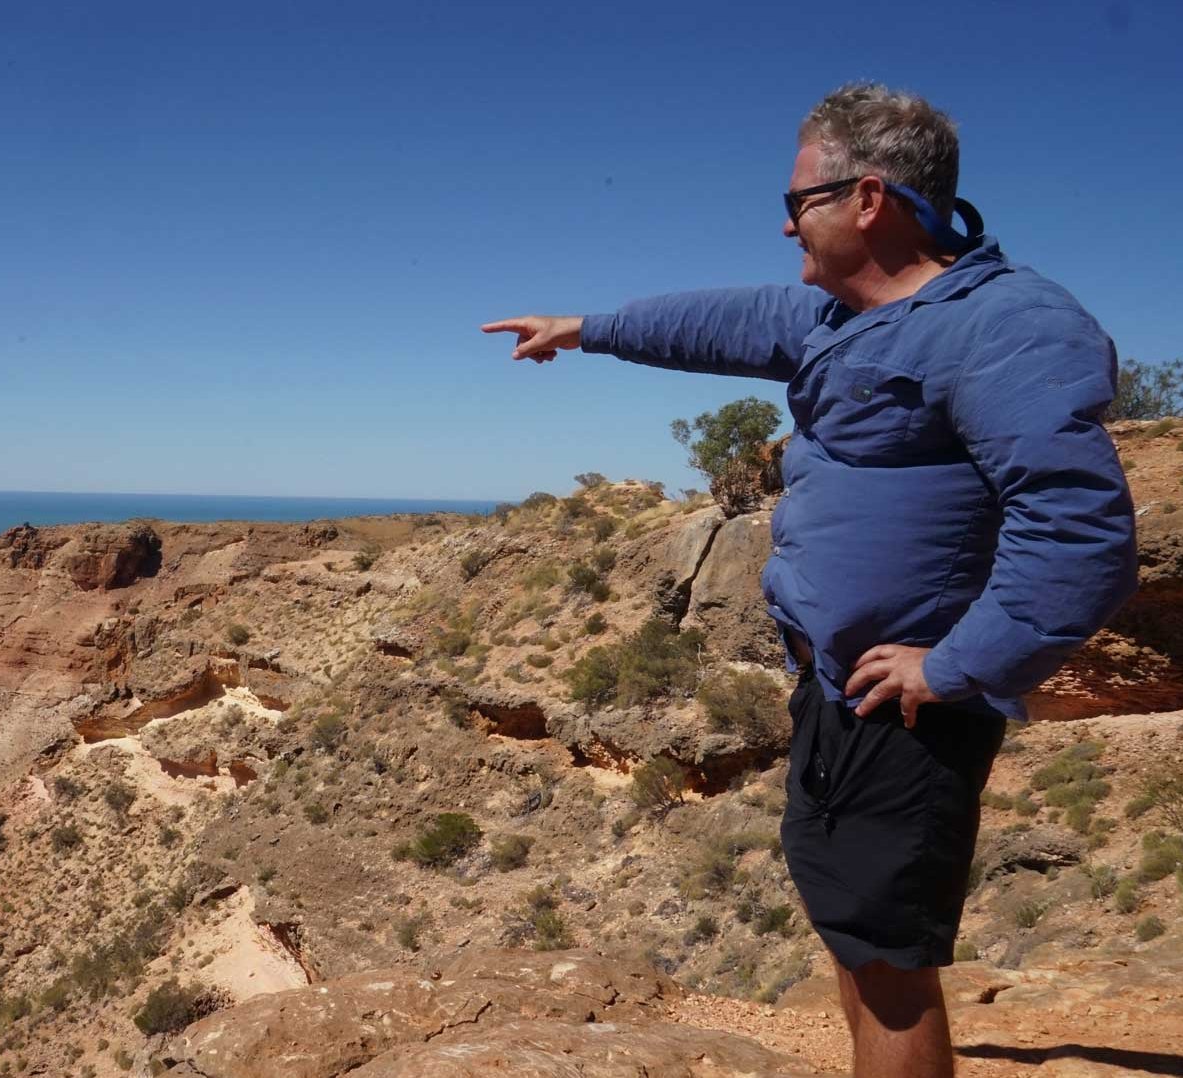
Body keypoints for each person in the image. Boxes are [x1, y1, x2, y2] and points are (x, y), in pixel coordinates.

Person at [481, 83, 1137, 1078]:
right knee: (854, 930)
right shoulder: (840, 316)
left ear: (867, 199)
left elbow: (1081, 531)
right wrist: (585, 327)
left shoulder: (1004, 325)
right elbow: (719, 321)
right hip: (837, 687)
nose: (785, 223)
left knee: (887, 960)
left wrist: (953, 666)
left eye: (797, 202)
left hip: (909, 709)